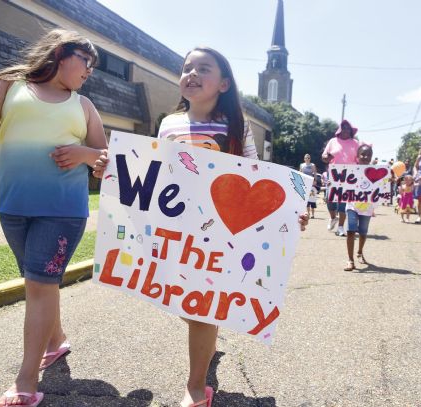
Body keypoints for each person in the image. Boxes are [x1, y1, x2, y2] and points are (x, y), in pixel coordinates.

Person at [95, 46, 308, 407]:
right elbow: (154, 170)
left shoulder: (235, 125)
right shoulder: (168, 124)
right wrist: (113, 171)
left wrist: (287, 213)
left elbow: (256, 176)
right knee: (185, 304)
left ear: (223, 83)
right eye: (186, 67)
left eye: (203, 68)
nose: (191, 73)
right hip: (176, 228)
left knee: (200, 308)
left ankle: (196, 387)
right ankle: (207, 341)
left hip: (220, 232)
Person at [0, 29, 106, 407]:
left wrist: (83, 154)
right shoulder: (8, 85)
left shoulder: (83, 106)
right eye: (87, 62)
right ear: (62, 53)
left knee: (39, 284)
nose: (90, 72)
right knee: (40, 281)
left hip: (63, 210)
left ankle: (25, 383)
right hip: (13, 206)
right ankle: (55, 341)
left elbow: (104, 156)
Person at [322, 119, 359, 236]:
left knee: (343, 202)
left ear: (351, 131)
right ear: (340, 129)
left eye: (348, 128)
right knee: (329, 199)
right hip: (333, 175)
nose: (346, 130)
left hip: (349, 176)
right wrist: (326, 157)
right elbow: (324, 157)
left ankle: (341, 227)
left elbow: (360, 160)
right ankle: (333, 218)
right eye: (343, 128)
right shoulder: (333, 141)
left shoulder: (355, 143)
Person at [344, 144, 374, 271]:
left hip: (367, 207)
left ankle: (360, 253)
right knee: (351, 231)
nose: (365, 156)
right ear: (357, 156)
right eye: (362, 154)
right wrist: (332, 183)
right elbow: (340, 183)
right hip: (352, 205)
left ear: (371, 157)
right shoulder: (349, 170)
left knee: (363, 233)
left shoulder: (375, 171)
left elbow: (381, 187)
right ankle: (350, 260)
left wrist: (388, 183)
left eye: (368, 154)